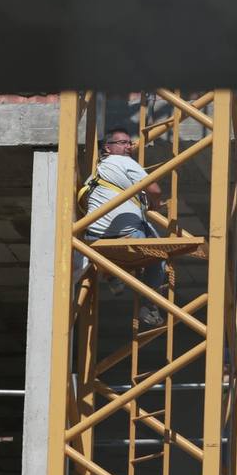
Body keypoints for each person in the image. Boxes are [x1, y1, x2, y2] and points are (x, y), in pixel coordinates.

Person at [81, 127, 166, 326]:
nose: (128, 147)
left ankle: (111, 273)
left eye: (129, 143)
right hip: (129, 236)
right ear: (107, 148)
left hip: (93, 240)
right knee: (160, 255)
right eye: (122, 143)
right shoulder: (124, 162)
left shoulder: (95, 175)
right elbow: (155, 189)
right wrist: (156, 204)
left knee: (131, 248)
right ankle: (149, 305)